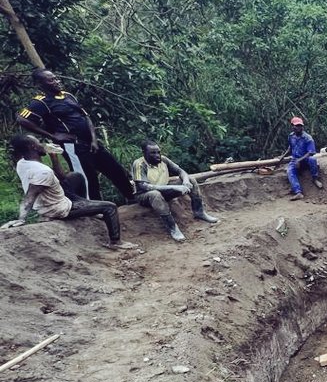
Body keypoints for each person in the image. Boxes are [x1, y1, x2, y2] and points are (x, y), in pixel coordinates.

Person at [17, 68, 135, 202]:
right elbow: (22, 120)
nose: (56, 81)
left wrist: (94, 140)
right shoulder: (41, 102)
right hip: (74, 146)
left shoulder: (68, 96)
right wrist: (53, 136)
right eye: (51, 80)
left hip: (91, 143)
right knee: (87, 178)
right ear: (40, 84)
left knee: (115, 169)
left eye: (56, 78)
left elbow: (86, 117)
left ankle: (132, 198)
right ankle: (94, 209)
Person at [1, 134, 132, 249]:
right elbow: (30, 195)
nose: (42, 144)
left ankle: (85, 204)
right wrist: (21, 219)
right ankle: (115, 242)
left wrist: (54, 156)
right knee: (110, 207)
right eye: (39, 142)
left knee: (76, 177)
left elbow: (62, 177)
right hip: (57, 208)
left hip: (49, 198)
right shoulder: (42, 172)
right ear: (32, 147)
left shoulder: (22, 163)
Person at [131, 140, 219, 242]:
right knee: (155, 194)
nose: (157, 155)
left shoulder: (163, 160)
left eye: (158, 152)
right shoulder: (139, 164)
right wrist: (175, 188)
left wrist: (185, 182)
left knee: (191, 179)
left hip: (164, 189)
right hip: (144, 195)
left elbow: (180, 171)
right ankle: (173, 228)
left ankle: (199, 212)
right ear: (144, 152)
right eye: (153, 153)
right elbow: (144, 186)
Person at [284, 116, 322, 200]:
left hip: (305, 159)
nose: (298, 127)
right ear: (292, 126)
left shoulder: (308, 138)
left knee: (313, 160)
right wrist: (282, 156)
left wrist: (299, 160)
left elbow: (311, 152)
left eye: (300, 126)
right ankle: (298, 192)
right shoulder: (291, 136)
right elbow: (290, 148)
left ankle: (315, 178)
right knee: (290, 171)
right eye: (296, 126)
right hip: (295, 159)